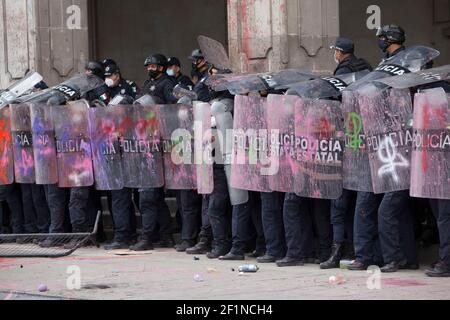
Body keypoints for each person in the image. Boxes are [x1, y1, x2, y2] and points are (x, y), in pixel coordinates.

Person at [348, 25, 418, 272]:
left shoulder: (411, 63)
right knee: (373, 203)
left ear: (389, 39)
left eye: (381, 37)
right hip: (379, 140)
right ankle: (371, 255)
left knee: (391, 208)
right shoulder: (382, 64)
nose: (378, 41)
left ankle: (396, 257)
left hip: (398, 144)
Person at [320, 38, 373, 269]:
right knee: (358, 206)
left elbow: (335, 101)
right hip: (362, 142)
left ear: (340, 53)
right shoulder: (366, 67)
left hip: (346, 141)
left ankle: (338, 252)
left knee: (339, 205)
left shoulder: (342, 71)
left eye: (335, 52)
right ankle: (356, 250)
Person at [129, 54, 175, 251]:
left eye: (154, 66)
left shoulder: (167, 84)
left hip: (159, 142)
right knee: (154, 196)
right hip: (145, 140)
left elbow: (172, 109)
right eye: (148, 65)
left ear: (162, 67)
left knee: (148, 195)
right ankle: (165, 235)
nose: (150, 68)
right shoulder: (147, 83)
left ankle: (147, 238)